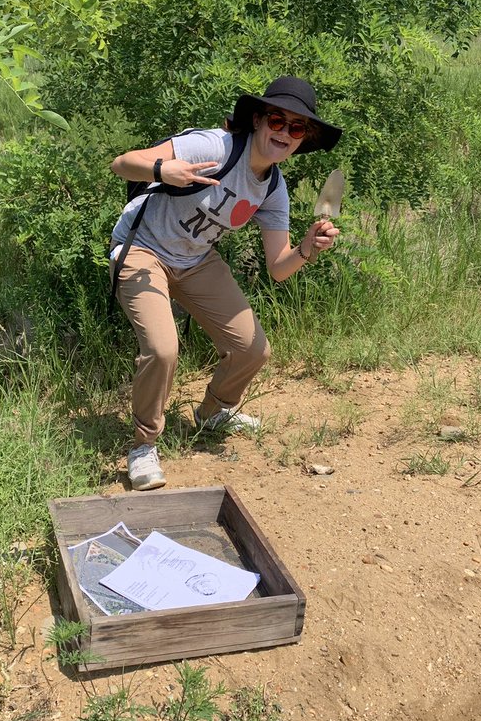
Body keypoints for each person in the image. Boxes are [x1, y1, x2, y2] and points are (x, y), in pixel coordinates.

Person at [109, 76, 343, 491]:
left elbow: (278, 267)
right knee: (163, 349)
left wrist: (308, 247)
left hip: (196, 259)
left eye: (296, 127)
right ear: (257, 120)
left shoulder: (273, 189)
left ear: (303, 138)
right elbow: (122, 163)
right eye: (277, 119)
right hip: (143, 246)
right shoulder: (213, 146)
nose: (284, 133)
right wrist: (165, 168)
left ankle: (214, 410)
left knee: (252, 349)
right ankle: (143, 446)